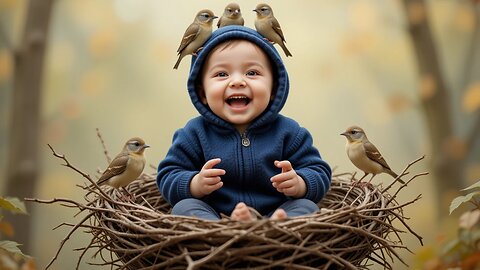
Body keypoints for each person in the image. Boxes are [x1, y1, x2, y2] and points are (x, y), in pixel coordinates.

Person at [157, 25, 331, 221]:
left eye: (252, 73)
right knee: (184, 207)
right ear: (202, 92)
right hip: (216, 216)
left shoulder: (290, 133)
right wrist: (194, 183)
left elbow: (319, 171)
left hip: (276, 212)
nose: (237, 81)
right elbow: (168, 175)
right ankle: (220, 231)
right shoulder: (194, 134)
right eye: (222, 74)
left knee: (306, 206)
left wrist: (300, 183)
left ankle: (274, 228)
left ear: (274, 88)